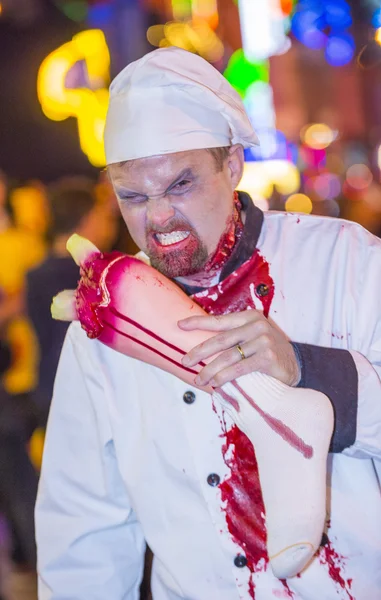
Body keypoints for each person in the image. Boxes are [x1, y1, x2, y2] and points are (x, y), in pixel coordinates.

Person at [35, 47, 381, 600]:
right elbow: (83, 533)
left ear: (233, 166)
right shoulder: (103, 328)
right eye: (133, 196)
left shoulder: (348, 263)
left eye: (180, 185)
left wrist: (308, 370)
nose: (159, 217)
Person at [26, 176, 118, 426]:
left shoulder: (36, 274)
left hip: (48, 389)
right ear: (87, 218)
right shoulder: (87, 276)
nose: (112, 226)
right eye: (105, 217)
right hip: (80, 395)